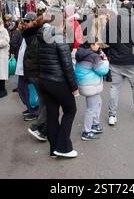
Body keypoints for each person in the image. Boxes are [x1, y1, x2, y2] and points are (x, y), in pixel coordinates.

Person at [38, 20, 79, 159]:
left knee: (52, 115)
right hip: (58, 81)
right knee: (70, 110)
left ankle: (53, 149)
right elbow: (67, 66)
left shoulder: (42, 38)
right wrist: (74, 87)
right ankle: (63, 147)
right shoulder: (60, 39)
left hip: (44, 81)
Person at [105, 0, 134, 126]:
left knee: (115, 87)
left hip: (116, 60)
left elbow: (106, 40)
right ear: (131, 9)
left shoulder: (111, 22)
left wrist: (115, 47)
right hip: (131, 60)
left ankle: (112, 115)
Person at [75, 42, 109, 141]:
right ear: (91, 45)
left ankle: (95, 124)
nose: (99, 46)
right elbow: (103, 70)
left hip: (86, 83)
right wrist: (106, 61)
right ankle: (86, 131)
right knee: (91, 108)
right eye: (97, 44)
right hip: (91, 85)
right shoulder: (93, 56)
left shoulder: (81, 53)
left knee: (98, 103)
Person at [26, 13, 52, 142]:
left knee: (44, 102)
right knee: (47, 102)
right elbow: (41, 59)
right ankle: (37, 126)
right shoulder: (40, 38)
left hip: (34, 73)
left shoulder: (34, 36)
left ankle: (43, 129)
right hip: (38, 74)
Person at [15, 12, 39, 121]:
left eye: (27, 21)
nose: (25, 23)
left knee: (28, 91)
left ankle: (34, 111)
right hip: (22, 67)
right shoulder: (25, 33)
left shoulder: (35, 35)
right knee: (22, 90)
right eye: (24, 21)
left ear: (34, 21)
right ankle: (30, 108)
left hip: (28, 69)